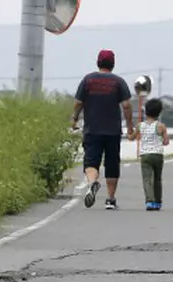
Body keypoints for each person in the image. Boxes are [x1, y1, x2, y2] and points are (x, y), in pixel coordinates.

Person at [72, 49, 134, 210]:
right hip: (113, 131)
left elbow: (78, 103)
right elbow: (127, 105)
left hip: (92, 130)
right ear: (113, 64)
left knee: (91, 162)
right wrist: (129, 126)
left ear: (98, 62)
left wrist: (74, 119)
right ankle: (110, 199)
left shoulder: (88, 80)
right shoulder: (119, 82)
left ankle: (92, 183)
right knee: (112, 164)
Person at [127, 98, 170, 211]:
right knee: (157, 179)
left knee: (147, 179)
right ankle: (158, 202)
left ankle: (149, 201)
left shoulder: (140, 126)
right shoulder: (161, 126)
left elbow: (131, 138)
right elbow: (166, 142)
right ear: (159, 112)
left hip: (145, 155)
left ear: (146, 111)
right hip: (158, 155)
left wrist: (129, 131)